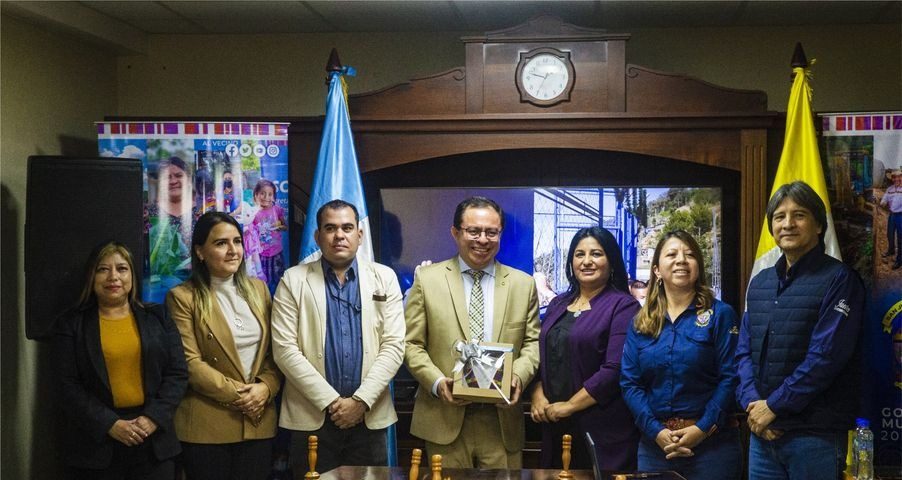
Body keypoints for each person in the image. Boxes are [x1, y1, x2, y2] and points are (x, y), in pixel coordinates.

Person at [737, 181, 865, 480]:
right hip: (762, 434)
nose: (788, 224)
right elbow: (743, 352)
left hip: (815, 435)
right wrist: (753, 405)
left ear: (818, 225)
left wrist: (774, 406)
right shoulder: (760, 282)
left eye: (799, 215)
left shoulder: (840, 279)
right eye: (779, 217)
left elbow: (826, 356)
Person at [404, 196, 541, 468]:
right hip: (444, 418)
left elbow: (532, 343)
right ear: (456, 233)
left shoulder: (523, 285)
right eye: (474, 231)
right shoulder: (427, 280)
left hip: (501, 422)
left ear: (500, 234)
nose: (483, 240)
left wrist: (516, 378)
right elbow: (411, 344)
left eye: (491, 232)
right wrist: (437, 383)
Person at [271, 199, 405, 474]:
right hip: (312, 417)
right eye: (330, 228)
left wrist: (360, 402)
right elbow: (285, 350)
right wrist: (333, 403)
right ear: (317, 236)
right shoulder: (293, 280)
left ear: (360, 234)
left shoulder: (385, 277)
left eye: (347, 227)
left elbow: (393, 346)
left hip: (369, 417)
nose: (339, 235)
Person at [54, 241, 188, 479]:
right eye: (103, 269)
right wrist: (110, 424)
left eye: (122, 269)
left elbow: (177, 373)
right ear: (92, 276)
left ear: (132, 275)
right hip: (96, 445)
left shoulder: (158, 317)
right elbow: (67, 385)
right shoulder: (71, 325)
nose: (113, 277)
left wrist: (153, 418)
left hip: (153, 442)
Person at [166, 212, 283, 480]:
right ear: (200, 252)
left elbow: (276, 352)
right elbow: (190, 364)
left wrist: (266, 387)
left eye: (237, 241)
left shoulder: (259, 290)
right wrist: (244, 397)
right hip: (207, 427)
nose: (233, 250)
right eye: (221, 243)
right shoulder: (182, 297)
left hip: (258, 422)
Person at [620, 230, 741, 480]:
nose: (681, 260)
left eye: (690, 255)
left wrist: (702, 429)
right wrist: (656, 432)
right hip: (656, 447)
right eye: (672, 254)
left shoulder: (721, 315)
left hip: (712, 447)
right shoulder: (640, 323)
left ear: (698, 266)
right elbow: (630, 383)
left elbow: (730, 377)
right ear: (656, 270)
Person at [531, 227, 640, 470]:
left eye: (596, 254)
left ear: (611, 261)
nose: (587, 261)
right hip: (553, 423)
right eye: (579, 254)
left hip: (601, 430)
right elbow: (540, 354)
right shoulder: (559, 303)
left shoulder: (624, 306)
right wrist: (537, 393)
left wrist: (570, 406)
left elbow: (615, 369)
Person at [147, 157, 198, 292]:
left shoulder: (203, 210)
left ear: (188, 178)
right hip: (159, 286)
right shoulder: (149, 213)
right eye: (167, 177)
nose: (173, 181)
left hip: (198, 283)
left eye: (178, 175)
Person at [250, 179, 287, 292]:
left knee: (279, 280)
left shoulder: (277, 210)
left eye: (270, 194)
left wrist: (280, 226)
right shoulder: (253, 213)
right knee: (262, 282)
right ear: (256, 195)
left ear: (274, 197)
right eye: (262, 193)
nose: (266, 197)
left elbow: (285, 227)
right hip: (260, 254)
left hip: (276, 253)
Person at [880, 169, 902, 269]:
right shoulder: (890, 189)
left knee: (900, 238)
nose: (896, 179)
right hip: (892, 215)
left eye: (899, 177)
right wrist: (882, 202)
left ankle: (899, 260)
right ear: (892, 178)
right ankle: (891, 250)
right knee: (890, 234)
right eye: (894, 177)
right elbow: (884, 199)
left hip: (901, 216)